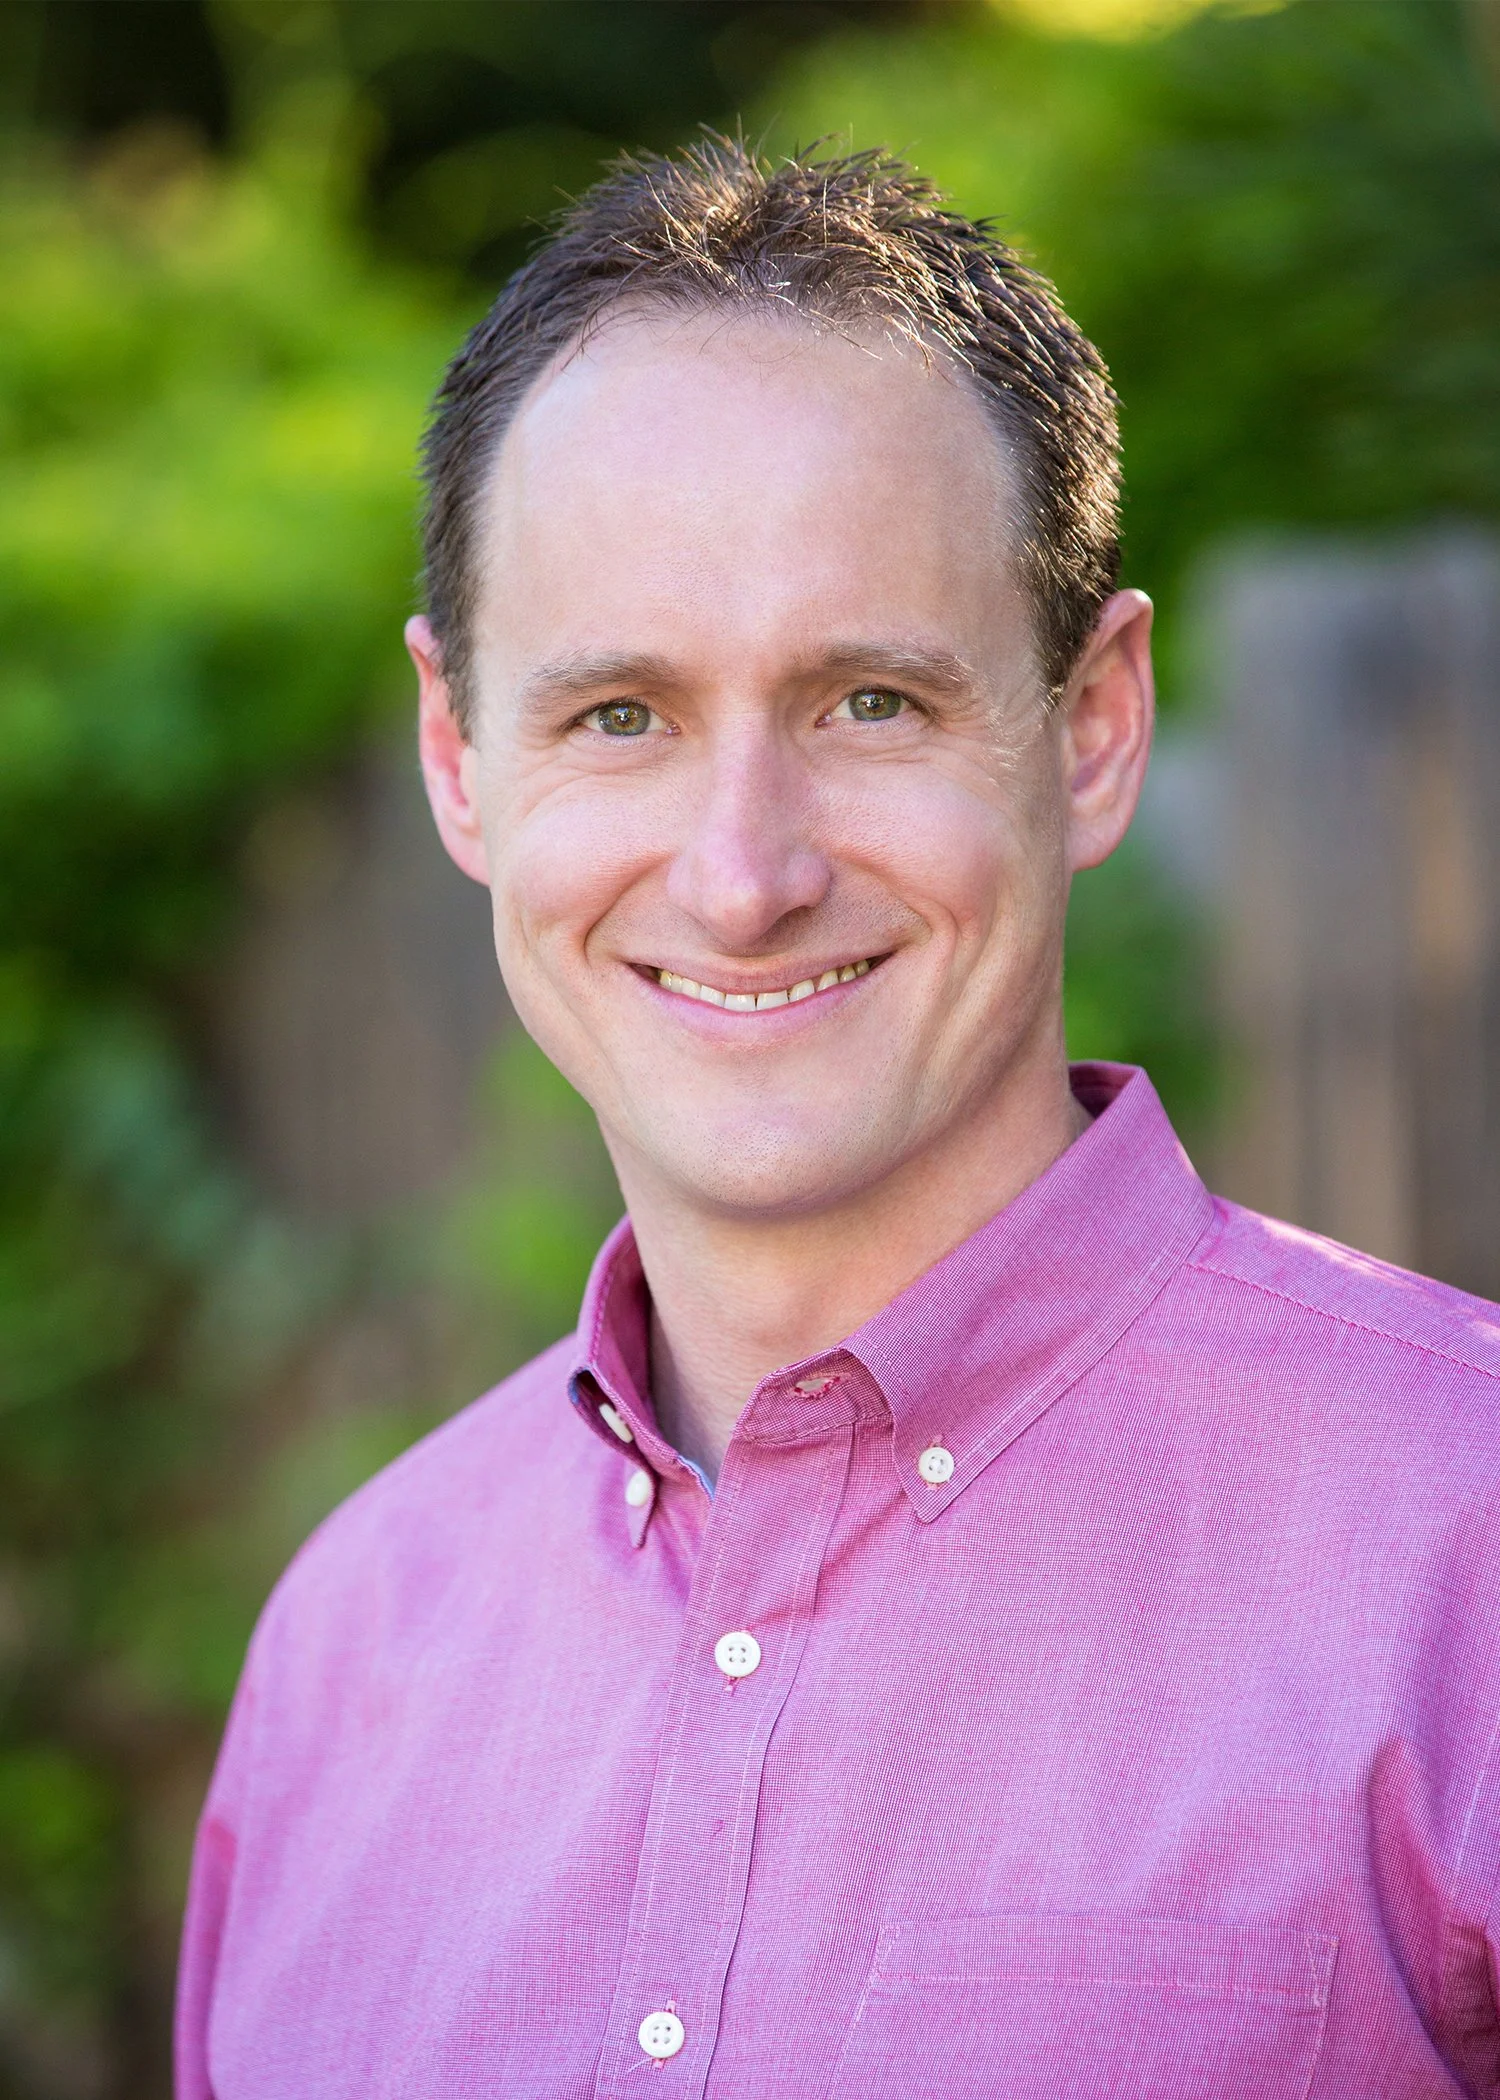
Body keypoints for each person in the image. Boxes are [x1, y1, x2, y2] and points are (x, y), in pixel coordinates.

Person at [176, 140, 1500, 2099]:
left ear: (1093, 726)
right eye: (619, 716)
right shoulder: (341, 1657)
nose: (742, 876)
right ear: (461, 760)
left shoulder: (1466, 1547)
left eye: (870, 701)